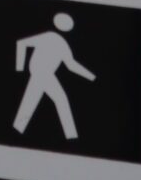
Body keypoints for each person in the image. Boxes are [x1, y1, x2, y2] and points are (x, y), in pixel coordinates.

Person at [11, 11, 94, 141]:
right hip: (41, 73)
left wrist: (91, 77)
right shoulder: (50, 37)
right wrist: (19, 68)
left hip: (44, 74)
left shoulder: (62, 44)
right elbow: (22, 43)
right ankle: (71, 136)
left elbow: (71, 65)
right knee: (59, 100)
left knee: (33, 101)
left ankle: (17, 130)